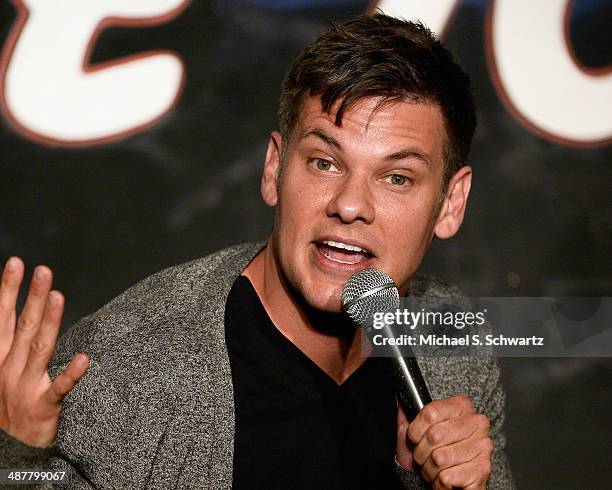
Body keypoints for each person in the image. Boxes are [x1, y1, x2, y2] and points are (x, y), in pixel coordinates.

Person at [0, 13, 514, 489]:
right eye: (324, 163)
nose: (350, 205)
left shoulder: (454, 344)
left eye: (397, 177)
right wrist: (18, 456)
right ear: (274, 169)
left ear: (451, 204)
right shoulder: (128, 369)